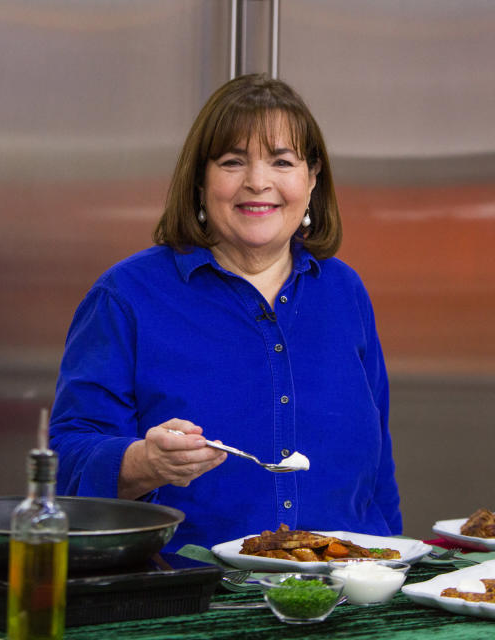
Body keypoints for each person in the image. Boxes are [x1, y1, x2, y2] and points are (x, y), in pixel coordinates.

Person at [49, 73, 401, 551]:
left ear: (312, 177)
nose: (258, 182)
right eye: (233, 162)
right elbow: (66, 459)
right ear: (200, 180)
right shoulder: (125, 296)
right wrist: (141, 462)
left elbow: (377, 472)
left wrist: (390, 567)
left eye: (282, 161)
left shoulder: (345, 292)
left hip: (346, 598)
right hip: (186, 600)